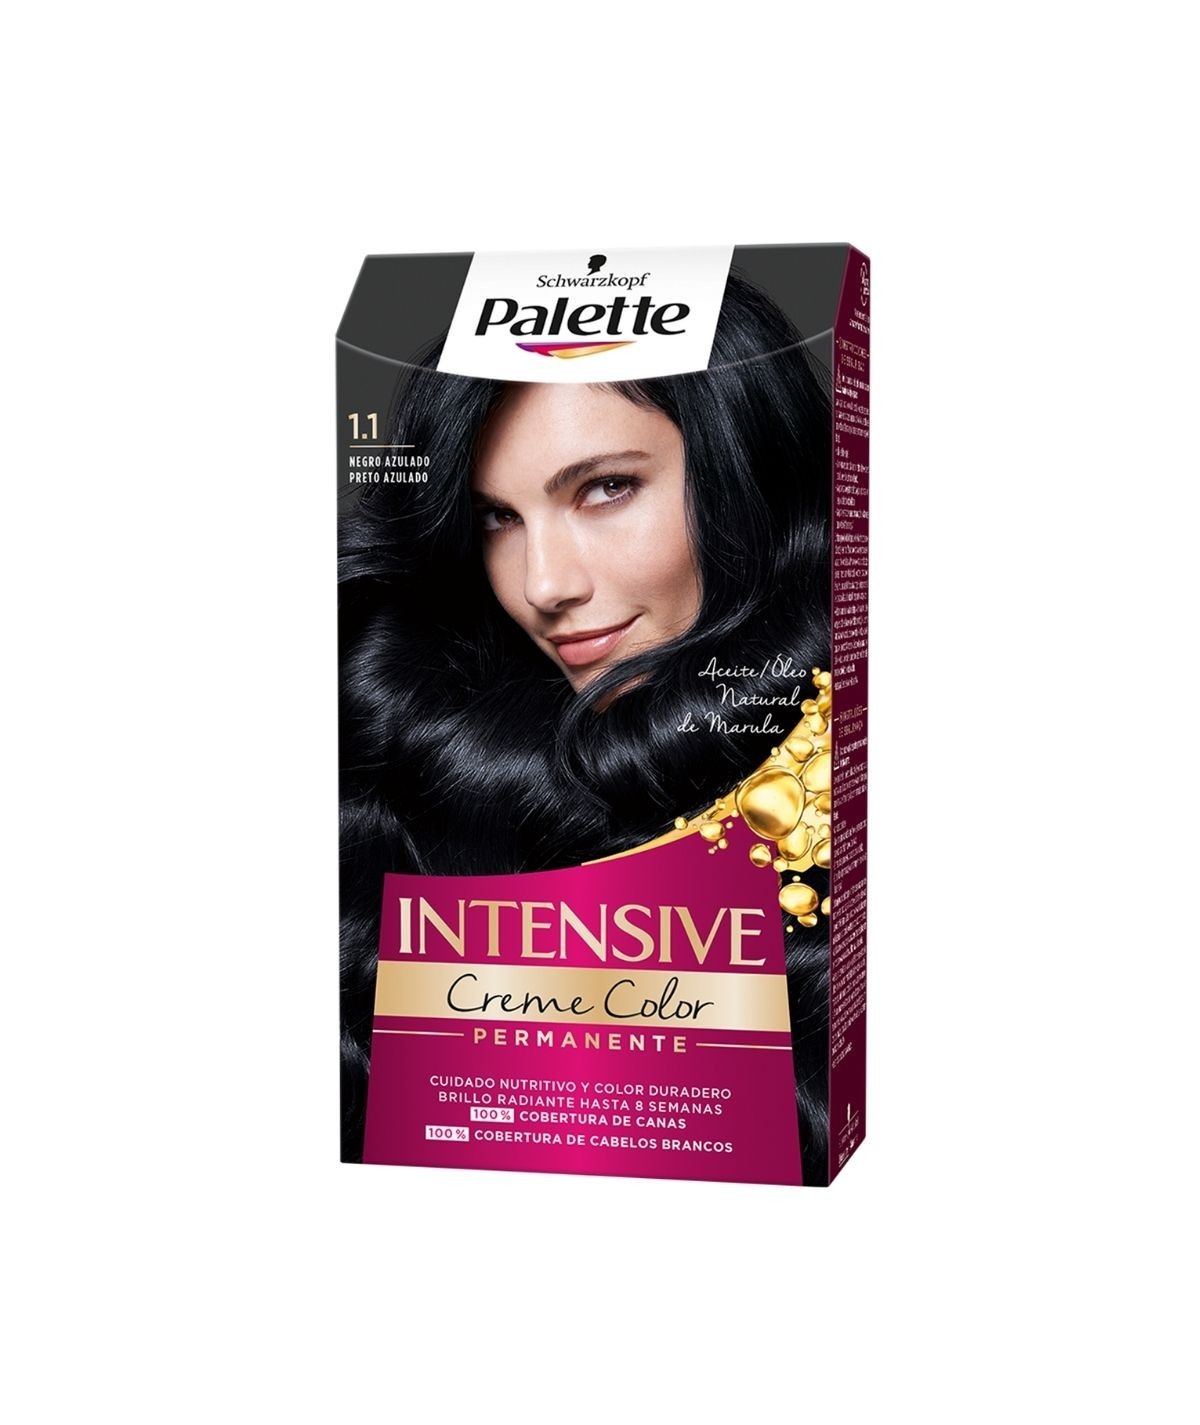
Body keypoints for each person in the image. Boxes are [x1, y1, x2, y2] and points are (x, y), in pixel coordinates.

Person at [339, 272, 833, 1180]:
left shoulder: (838, 773)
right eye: (498, 516)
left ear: (747, 471)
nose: (543, 584)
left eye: (606, 488)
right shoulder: (419, 779)